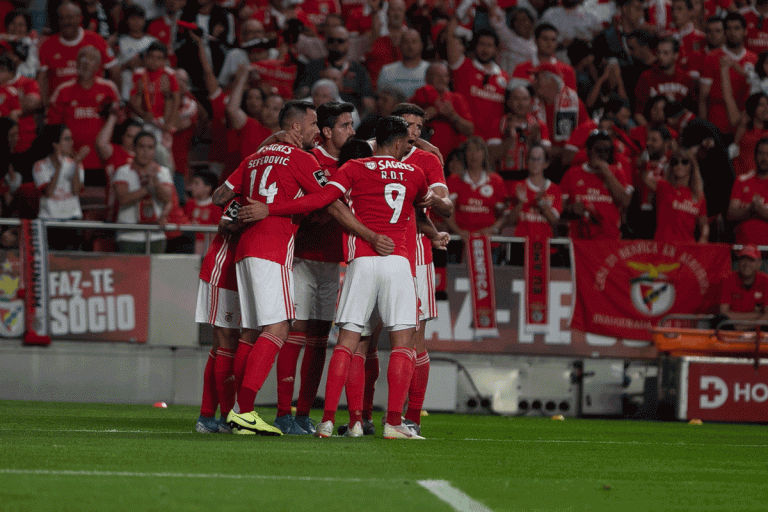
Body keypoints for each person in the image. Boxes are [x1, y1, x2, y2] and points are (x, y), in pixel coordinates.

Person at [240, 116, 431, 440]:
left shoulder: (355, 168)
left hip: (362, 262)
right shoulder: (415, 172)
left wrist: (271, 209)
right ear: (399, 144)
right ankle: (394, 423)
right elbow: (422, 206)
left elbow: (321, 200)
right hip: (398, 260)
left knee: (347, 342)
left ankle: (327, 421)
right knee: (402, 343)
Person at [218, 100, 384, 435]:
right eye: (344, 125)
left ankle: (249, 413)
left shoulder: (260, 156)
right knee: (282, 330)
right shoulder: (307, 159)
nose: (351, 131)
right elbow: (328, 203)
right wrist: (369, 234)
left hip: (307, 257)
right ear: (316, 129)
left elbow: (222, 195)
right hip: (290, 255)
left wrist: (240, 212)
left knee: (286, 336)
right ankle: (266, 411)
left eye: (352, 125)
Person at [194, 202, 241, 434]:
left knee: (223, 344)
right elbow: (225, 224)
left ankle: (207, 416)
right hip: (223, 271)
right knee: (227, 340)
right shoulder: (242, 196)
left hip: (243, 272)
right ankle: (226, 418)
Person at [47, 45, 119, 187]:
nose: (86, 62)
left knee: (98, 205)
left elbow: (118, 123)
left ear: (98, 66)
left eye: (91, 60)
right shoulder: (63, 90)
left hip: (102, 161)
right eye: (83, 58)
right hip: (70, 161)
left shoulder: (108, 89)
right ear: (76, 62)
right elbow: (53, 129)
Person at [444, 137, 508, 262]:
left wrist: (491, 229)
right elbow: (446, 212)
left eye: (478, 150)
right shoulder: (454, 180)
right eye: (470, 151)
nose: (474, 155)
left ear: (484, 154)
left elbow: (504, 216)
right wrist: (458, 231)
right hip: (459, 243)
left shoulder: (496, 181)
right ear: (465, 154)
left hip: (489, 243)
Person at [560, 130, 633, 240]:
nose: (603, 155)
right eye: (598, 150)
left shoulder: (617, 173)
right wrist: (570, 210)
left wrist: (606, 172)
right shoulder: (572, 174)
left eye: (607, 151)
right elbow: (558, 209)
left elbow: (625, 202)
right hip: (579, 241)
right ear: (588, 151)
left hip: (610, 240)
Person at [37, 2, 116, 103]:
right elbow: (42, 79)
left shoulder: (96, 40)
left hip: (95, 103)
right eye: (62, 18)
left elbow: (115, 71)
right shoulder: (47, 45)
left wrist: (113, 102)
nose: (66, 22)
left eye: (69, 18)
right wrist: (46, 106)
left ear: (79, 18)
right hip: (61, 106)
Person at [113, 131, 174, 254]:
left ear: (154, 150)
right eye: (141, 147)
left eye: (150, 147)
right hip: (128, 235)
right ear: (134, 148)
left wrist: (156, 182)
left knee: (156, 273)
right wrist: (147, 188)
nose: (146, 151)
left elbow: (168, 199)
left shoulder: (163, 172)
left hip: (156, 235)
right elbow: (123, 199)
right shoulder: (122, 172)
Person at [446, 23, 509, 143]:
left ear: (496, 50)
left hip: (494, 141)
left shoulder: (505, 77)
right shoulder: (462, 66)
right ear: (475, 46)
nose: (485, 49)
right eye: (481, 44)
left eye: (489, 45)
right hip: (465, 137)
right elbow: (450, 36)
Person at [408, 61, 474, 159]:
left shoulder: (457, 99)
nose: (442, 79)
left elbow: (470, 130)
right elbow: (402, 127)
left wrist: (453, 116)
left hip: (451, 159)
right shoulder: (418, 96)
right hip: (422, 158)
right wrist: (423, 117)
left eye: (445, 76)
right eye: (437, 75)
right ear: (427, 78)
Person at [643, 148, 709, 242]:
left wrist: (704, 237)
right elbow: (645, 177)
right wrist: (661, 161)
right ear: (671, 167)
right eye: (675, 162)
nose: (679, 165)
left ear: (691, 166)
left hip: (686, 249)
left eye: (684, 162)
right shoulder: (664, 186)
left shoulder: (699, 195)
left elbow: (704, 224)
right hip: (663, 248)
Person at [728, 137, 768, 244]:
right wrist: (750, 209)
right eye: (761, 153)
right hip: (744, 251)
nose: (764, 158)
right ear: (754, 156)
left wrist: (758, 210)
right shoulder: (741, 181)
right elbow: (731, 214)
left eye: (767, 154)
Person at [718, 245, 768, 325]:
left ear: (759, 263)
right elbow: (724, 314)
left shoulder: (766, 281)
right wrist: (757, 315)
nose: (746, 264)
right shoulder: (727, 279)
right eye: (743, 259)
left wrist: (742, 327)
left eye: (751, 260)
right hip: (731, 331)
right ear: (739, 262)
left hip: (755, 331)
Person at [377, 28, 428, 100]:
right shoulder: (387, 71)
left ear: (421, 45)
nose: (410, 46)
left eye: (414, 42)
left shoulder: (430, 70)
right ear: (400, 45)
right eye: (406, 42)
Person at [184, 169, 221, 255]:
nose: (192, 186)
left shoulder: (215, 206)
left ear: (208, 188)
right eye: (192, 183)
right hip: (190, 246)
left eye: (196, 183)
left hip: (207, 248)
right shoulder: (189, 204)